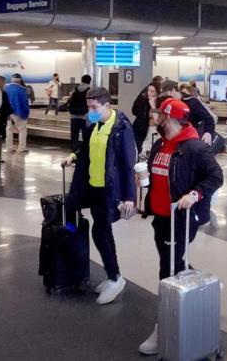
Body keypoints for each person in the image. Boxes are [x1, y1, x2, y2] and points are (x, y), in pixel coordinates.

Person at [138, 97, 223, 355]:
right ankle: (202, 286)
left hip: (181, 219)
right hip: (161, 216)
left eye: (159, 116)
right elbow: (156, 176)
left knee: (167, 269)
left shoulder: (194, 147)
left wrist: (194, 195)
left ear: (171, 118)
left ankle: (162, 326)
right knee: (175, 263)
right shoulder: (160, 145)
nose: (155, 119)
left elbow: (215, 176)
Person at [67, 87, 136, 305]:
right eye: (88, 108)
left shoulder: (121, 128)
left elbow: (127, 165)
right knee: (101, 231)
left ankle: (115, 277)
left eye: (94, 107)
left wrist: (129, 197)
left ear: (107, 105)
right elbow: (87, 149)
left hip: (110, 191)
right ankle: (113, 275)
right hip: (93, 187)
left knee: (101, 231)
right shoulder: (94, 125)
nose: (90, 112)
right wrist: (74, 155)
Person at [163, 80, 215, 144]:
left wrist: (208, 132)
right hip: (179, 138)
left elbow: (208, 118)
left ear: (173, 91)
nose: (165, 98)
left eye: (166, 95)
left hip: (195, 137)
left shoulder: (191, 101)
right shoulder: (169, 104)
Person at [5, 74, 31, 153]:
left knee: (9, 130)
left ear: (12, 79)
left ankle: (9, 148)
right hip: (19, 112)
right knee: (22, 130)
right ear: (20, 80)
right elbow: (25, 103)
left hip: (9, 113)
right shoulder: (23, 89)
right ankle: (21, 149)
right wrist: (26, 113)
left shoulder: (6, 88)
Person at [132, 83, 159, 158]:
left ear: (157, 92)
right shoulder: (143, 98)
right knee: (138, 150)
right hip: (140, 128)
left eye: (152, 91)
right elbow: (134, 110)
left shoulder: (159, 102)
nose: (149, 93)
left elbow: (157, 119)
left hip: (152, 131)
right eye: (148, 90)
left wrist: (153, 105)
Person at [68, 75, 92, 155]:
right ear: (89, 81)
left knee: (74, 137)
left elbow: (70, 100)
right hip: (85, 117)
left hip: (73, 116)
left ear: (81, 80)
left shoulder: (74, 90)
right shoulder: (90, 91)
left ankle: (73, 154)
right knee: (86, 136)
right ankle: (85, 154)